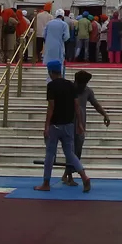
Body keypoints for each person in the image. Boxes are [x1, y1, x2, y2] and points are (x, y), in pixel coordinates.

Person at [33, 62, 90, 193]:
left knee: (50, 153)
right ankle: (84, 176)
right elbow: (77, 107)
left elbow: (51, 107)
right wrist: (80, 123)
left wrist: (46, 125)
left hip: (55, 125)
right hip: (69, 124)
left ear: (51, 72)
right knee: (70, 153)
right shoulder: (70, 85)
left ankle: (46, 182)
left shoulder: (51, 86)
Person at [61, 69, 110, 187]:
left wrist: (105, 114)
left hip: (81, 124)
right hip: (69, 123)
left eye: (85, 84)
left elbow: (95, 104)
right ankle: (69, 176)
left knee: (77, 151)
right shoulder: (69, 90)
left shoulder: (87, 91)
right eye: (82, 84)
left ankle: (66, 174)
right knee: (70, 150)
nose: (83, 87)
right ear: (76, 82)